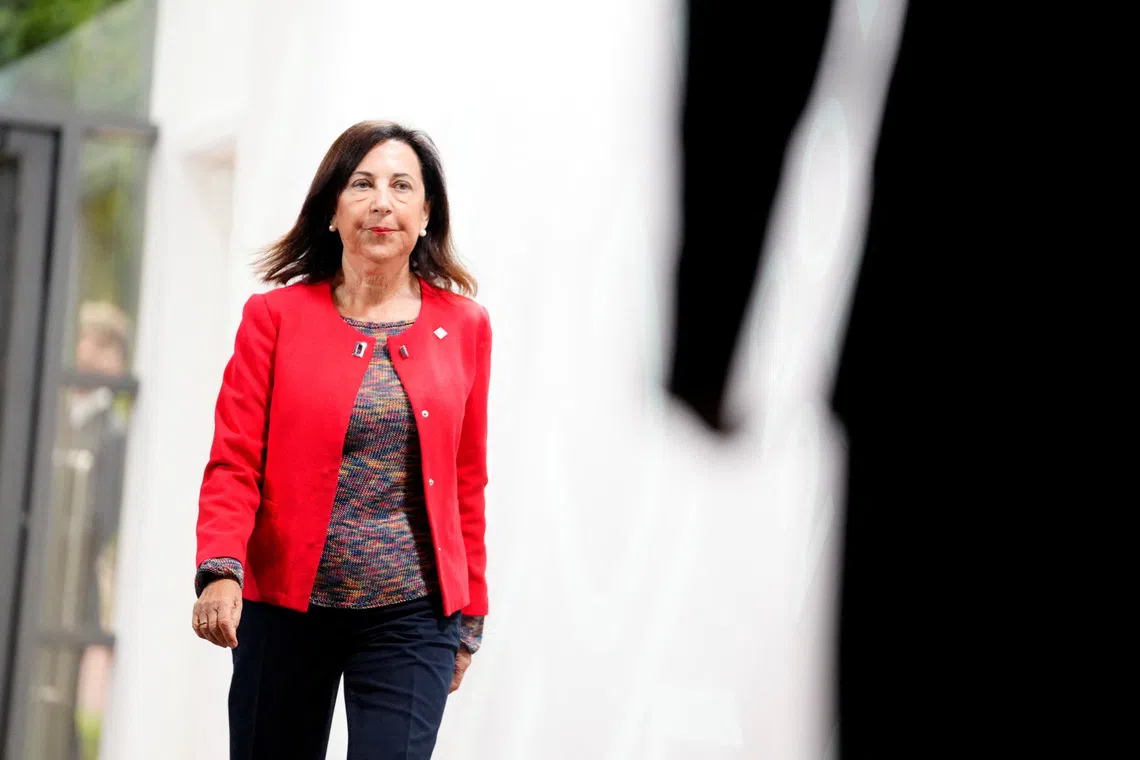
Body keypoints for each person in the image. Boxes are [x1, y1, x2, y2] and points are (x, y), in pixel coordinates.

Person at [191, 120, 492, 760]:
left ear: (425, 212)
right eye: (362, 183)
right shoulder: (273, 319)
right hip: (284, 607)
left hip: (412, 616)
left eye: (401, 185)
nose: (382, 201)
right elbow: (234, 460)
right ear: (332, 208)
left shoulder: (465, 326)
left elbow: (468, 476)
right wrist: (221, 570)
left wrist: (472, 613)